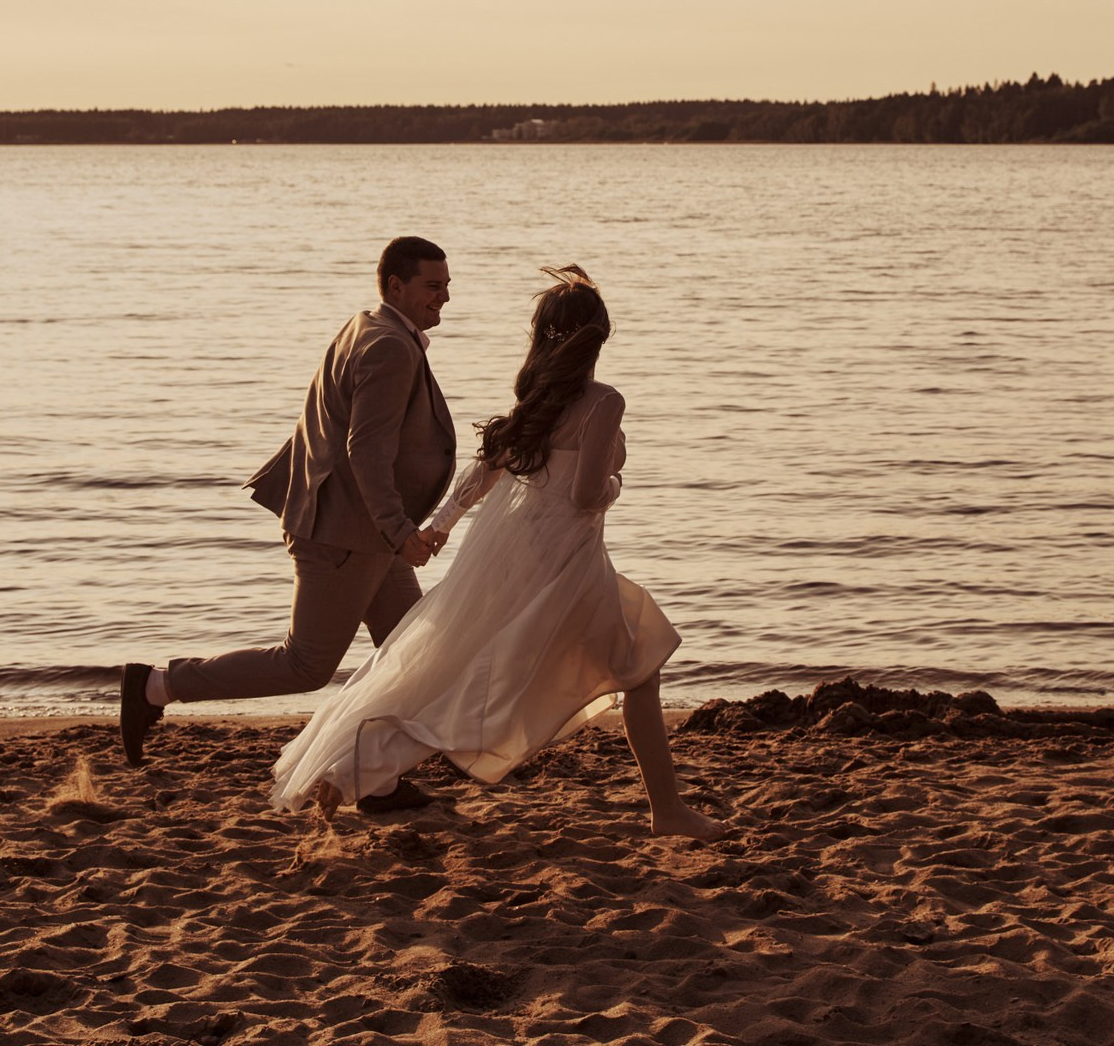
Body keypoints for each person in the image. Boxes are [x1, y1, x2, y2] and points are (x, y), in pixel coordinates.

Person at [269, 266, 726, 841]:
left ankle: (353, 764)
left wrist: (438, 526)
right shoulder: (603, 401)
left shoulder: (534, 402)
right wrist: (616, 484)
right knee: (621, 670)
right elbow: (587, 495)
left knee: (475, 669)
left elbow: (482, 473)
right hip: (568, 565)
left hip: (515, 556)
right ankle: (668, 812)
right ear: (597, 339)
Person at [119, 237, 456, 813]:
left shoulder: (368, 324)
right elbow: (366, 451)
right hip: (346, 537)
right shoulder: (388, 347)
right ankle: (154, 686)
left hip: (356, 532)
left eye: (447, 286)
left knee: (410, 654)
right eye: (433, 286)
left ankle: (379, 781)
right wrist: (400, 530)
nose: (444, 298)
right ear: (396, 286)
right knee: (306, 664)